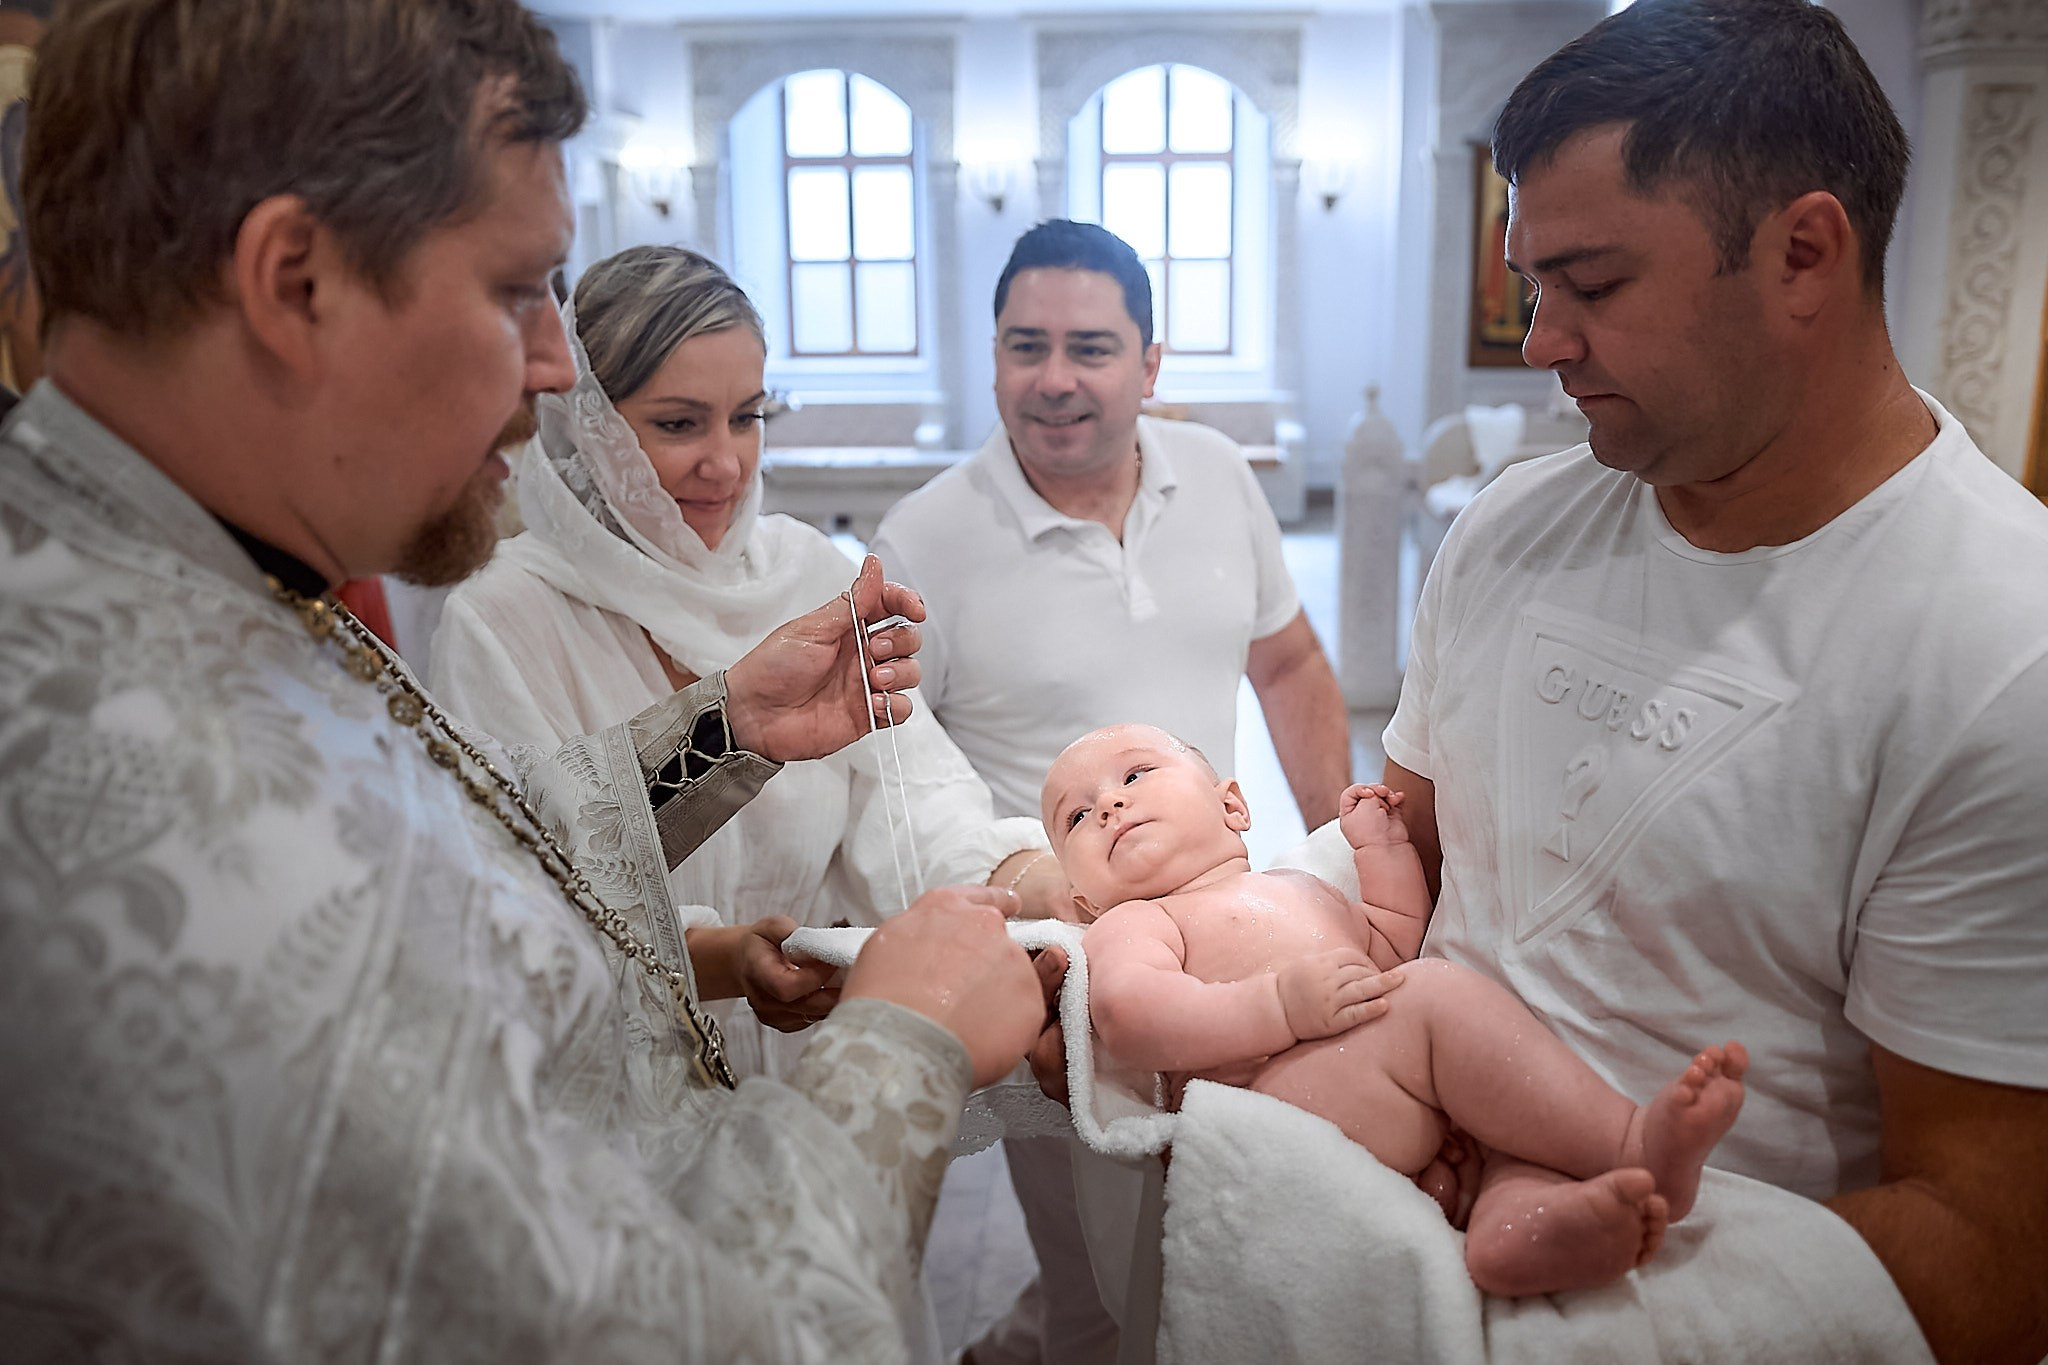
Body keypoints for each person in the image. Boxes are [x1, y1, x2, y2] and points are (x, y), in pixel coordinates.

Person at [0, 2, 1061, 1359]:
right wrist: (903, 1042)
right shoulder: (177, 819)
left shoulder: (185, 577)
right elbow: (700, 1338)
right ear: (292, 280)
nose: (557, 370)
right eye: (516, 293)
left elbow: (474, 840)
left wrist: (723, 730)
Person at [1374, 0, 2048, 1359]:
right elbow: (1413, 879)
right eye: (1530, 285)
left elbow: (1992, 1257)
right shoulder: (1512, 525)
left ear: (1804, 252)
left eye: (1595, 285)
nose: (1542, 341)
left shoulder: (2002, 649)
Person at [869, 219, 1352, 1364]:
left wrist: (1343, 847)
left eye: (1089, 347)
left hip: (1231, 925)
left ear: (1149, 362)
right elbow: (889, 781)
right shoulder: (924, 537)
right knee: (1101, 1278)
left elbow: (1285, 664)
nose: (1052, 379)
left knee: (1240, 1237)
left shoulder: (1221, 477)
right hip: (1065, 977)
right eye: (1022, 345)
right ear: (990, 357)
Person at [430, 245, 1062, 1080]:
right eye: (679, 423)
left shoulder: (806, 575)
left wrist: (1040, 888)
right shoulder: (502, 618)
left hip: (808, 1077)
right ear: (588, 426)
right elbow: (512, 900)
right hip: (616, 1097)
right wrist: (717, 958)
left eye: (748, 416)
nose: (725, 463)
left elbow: (915, 802)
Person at [1051, 723, 1747, 1297]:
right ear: (1083, 901)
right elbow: (1130, 1011)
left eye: (1135, 775)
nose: (1109, 805)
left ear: (1232, 805)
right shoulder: (1137, 921)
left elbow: (1389, 941)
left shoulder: (1300, 885)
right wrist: (1279, 1006)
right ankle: (1631, 1142)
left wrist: (1382, 850)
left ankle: (1511, 1226)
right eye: (1077, 815)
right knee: (1436, 992)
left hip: (1368, 1095)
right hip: (1269, 1108)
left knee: (1502, 1116)